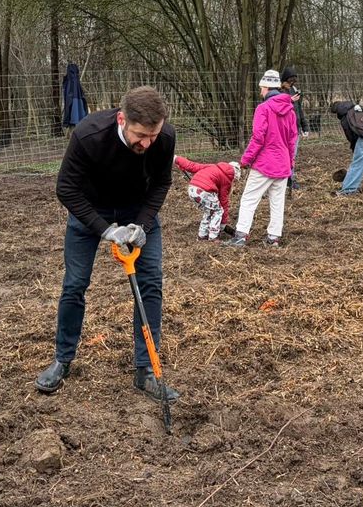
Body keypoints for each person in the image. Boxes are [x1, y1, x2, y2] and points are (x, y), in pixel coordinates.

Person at [36, 86, 177, 401]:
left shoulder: (164, 137)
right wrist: (104, 229)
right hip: (90, 212)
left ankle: (146, 371)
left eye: (152, 136)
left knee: (151, 283)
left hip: (138, 211)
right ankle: (62, 359)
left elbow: (162, 182)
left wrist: (141, 224)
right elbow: (66, 188)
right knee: (75, 284)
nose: (147, 143)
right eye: (141, 135)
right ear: (122, 119)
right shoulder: (89, 134)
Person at [223, 70, 297, 248]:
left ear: (265, 87)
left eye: (261, 88)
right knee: (277, 202)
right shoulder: (290, 111)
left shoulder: (263, 109)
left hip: (265, 164)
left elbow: (258, 137)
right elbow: (292, 140)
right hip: (283, 163)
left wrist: (245, 160)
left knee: (249, 198)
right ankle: (273, 238)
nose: (260, 92)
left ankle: (240, 235)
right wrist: (291, 163)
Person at [174, 156, 241, 240]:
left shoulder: (213, 166)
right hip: (205, 191)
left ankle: (202, 235)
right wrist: (223, 222)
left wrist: (176, 159)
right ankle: (213, 237)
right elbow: (223, 200)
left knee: (209, 211)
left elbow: (192, 166)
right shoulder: (227, 179)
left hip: (192, 189)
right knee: (218, 211)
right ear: (234, 176)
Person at [280, 67, 310, 191]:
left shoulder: (293, 90)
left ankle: (290, 179)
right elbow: (279, 109)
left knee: (292, 156)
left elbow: (299, 110)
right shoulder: (279, 92)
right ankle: (281, 179)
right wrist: (289, 101)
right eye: (290, 81)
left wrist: (304, 126)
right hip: (284, 129)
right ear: (284, 80)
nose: (291, 83)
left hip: (295, 129)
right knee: (282, 155)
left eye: (293, 81)